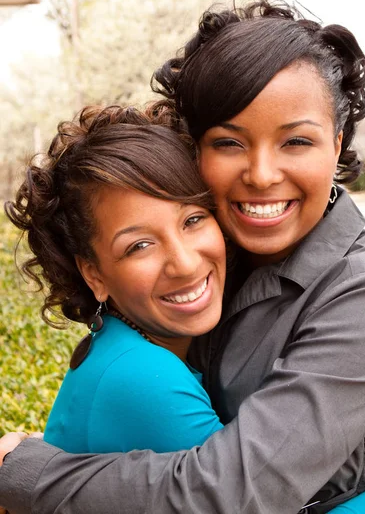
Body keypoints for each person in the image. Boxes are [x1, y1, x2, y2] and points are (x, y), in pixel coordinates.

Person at [1, 0, 365, 514]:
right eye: (229, 142)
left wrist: (34, 474)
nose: (260, 174)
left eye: (297, 141)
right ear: (196, 151)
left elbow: (231, 492)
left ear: (337, 142)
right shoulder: (217, 252)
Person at [3, 103, 227, 455]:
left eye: (193, 220)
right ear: (94, 274)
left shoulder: (123, 347)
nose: (183, 264)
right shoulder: (145, 378)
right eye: (139, 246)